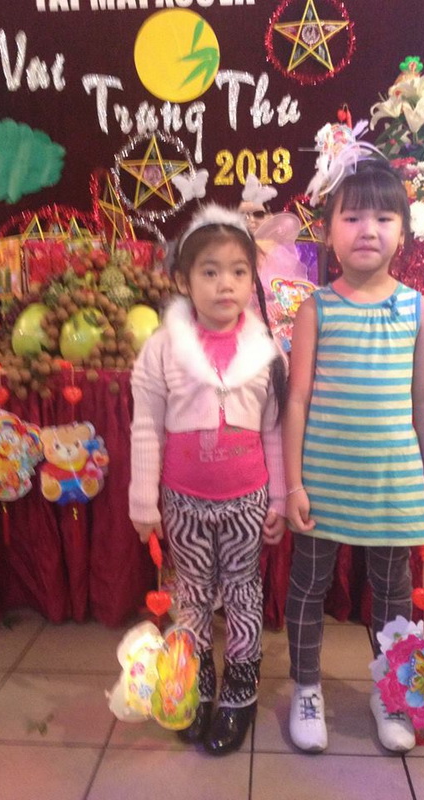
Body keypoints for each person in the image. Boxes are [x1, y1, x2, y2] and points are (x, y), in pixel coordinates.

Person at [283, 159, 424, 754]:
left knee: (393, 593)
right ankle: (306, 689)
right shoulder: (315, 309)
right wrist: (293, 483)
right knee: (308, 587)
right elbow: (296, 399)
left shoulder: (417, 309)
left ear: (403, 232)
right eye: (351, 217)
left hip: (392, 480)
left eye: (383, 217)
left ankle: (391, 692)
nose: (367, 229)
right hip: (322, 481)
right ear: (329, 232)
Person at [129, 203, 287, 755]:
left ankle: (241, 692)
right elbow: (146, 425)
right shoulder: (162, 347)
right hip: (184, 501)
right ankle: (194, 684)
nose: (226, 284)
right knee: (192, 595)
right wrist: (143, 500)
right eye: (210, 271)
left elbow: (274, 430)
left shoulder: (265, 351)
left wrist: (279, 498)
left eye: (239, 271)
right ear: (183, 280)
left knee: (242, 594)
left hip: (247, 500)